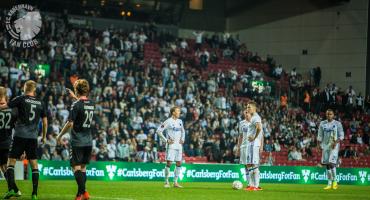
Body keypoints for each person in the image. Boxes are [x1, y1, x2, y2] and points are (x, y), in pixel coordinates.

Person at [1, 80, 47, 200]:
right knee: (34, 165)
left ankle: (12, 189)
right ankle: (34, 194)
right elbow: (45, 121)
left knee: (10, 163)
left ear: (24, 88)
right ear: (34, 89)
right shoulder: (40, 102)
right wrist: (44, 136)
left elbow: (5, 106)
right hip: (32, 137)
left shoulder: (20, 98)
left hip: (19, 135)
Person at [57, 79, 95, 200]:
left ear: (76, 90)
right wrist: (75, 97)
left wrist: (59, 135)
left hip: (78, 141)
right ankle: (82, 194)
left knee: (76, 168)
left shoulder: (76, 104)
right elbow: (82, 105)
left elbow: (69, 123)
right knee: (83, 168)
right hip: (88, 141)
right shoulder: (92, 103)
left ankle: (82, 193)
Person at [156, 106, 185, 188]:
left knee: (179, 163)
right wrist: (166, 140)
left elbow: (183, 131)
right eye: (178, 111)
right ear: (173, 112)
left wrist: (182, 138)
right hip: (171, 145)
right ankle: (166, 182)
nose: (179, 112)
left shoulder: (180, 121)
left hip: (179, 145)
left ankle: (175, 182)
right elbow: (158, 131)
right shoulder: (168, 121)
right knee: (169, 163)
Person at [317, 109, 344, 190]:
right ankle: (329, 183)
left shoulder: (337, 124)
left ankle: (335, 180)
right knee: (327, 165)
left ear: (333, 115)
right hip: (325, 145)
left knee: (331, 163)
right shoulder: (322, 123)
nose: (329, 115)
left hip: (334, 146)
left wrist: (336, 142)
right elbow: (320, 135)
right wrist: (318, 145)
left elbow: (342, 135)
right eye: (327, 114)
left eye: (330, 114)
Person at [0, 87, 16, 195]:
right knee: (3, 166)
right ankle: (13, 188)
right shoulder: (12, 109)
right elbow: (16, 127)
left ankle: (14, 188)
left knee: (4, 166)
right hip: (8, 142)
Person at [246, 101, 263, 191]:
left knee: (254, 164)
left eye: (249, 107)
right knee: (250, 164)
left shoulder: (256, 117)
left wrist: (254, 137)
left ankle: (256, 186)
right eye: (247, 107)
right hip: (251, 144)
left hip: (253, 144)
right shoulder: (253, 118)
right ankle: (252, 185)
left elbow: (259, 128)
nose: (247, 109)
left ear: (254, 108)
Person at [237, 109, 252, 190]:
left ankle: (254, 184)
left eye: (247, 113)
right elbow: (240, 136)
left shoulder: (254, 123)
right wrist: (238, 147)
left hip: (251, 147)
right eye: (245, 113)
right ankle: (249, 184)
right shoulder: (241, 123)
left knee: (252, 165)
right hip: (243, 147)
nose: (246, 114)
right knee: (246, 166)